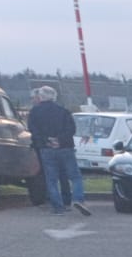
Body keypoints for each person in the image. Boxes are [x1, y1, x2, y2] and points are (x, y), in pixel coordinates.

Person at [27, 86, 90, 216]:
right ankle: (78, 199)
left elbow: (33, 130)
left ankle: (58, 207)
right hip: (65, 147)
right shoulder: (63, 111)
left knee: (51, 179)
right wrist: (59, 140)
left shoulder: (34, 112)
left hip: (46, 148)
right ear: (54, 97)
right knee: (75, 176)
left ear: (40, 97)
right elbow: (71, 129)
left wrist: (47, 140)